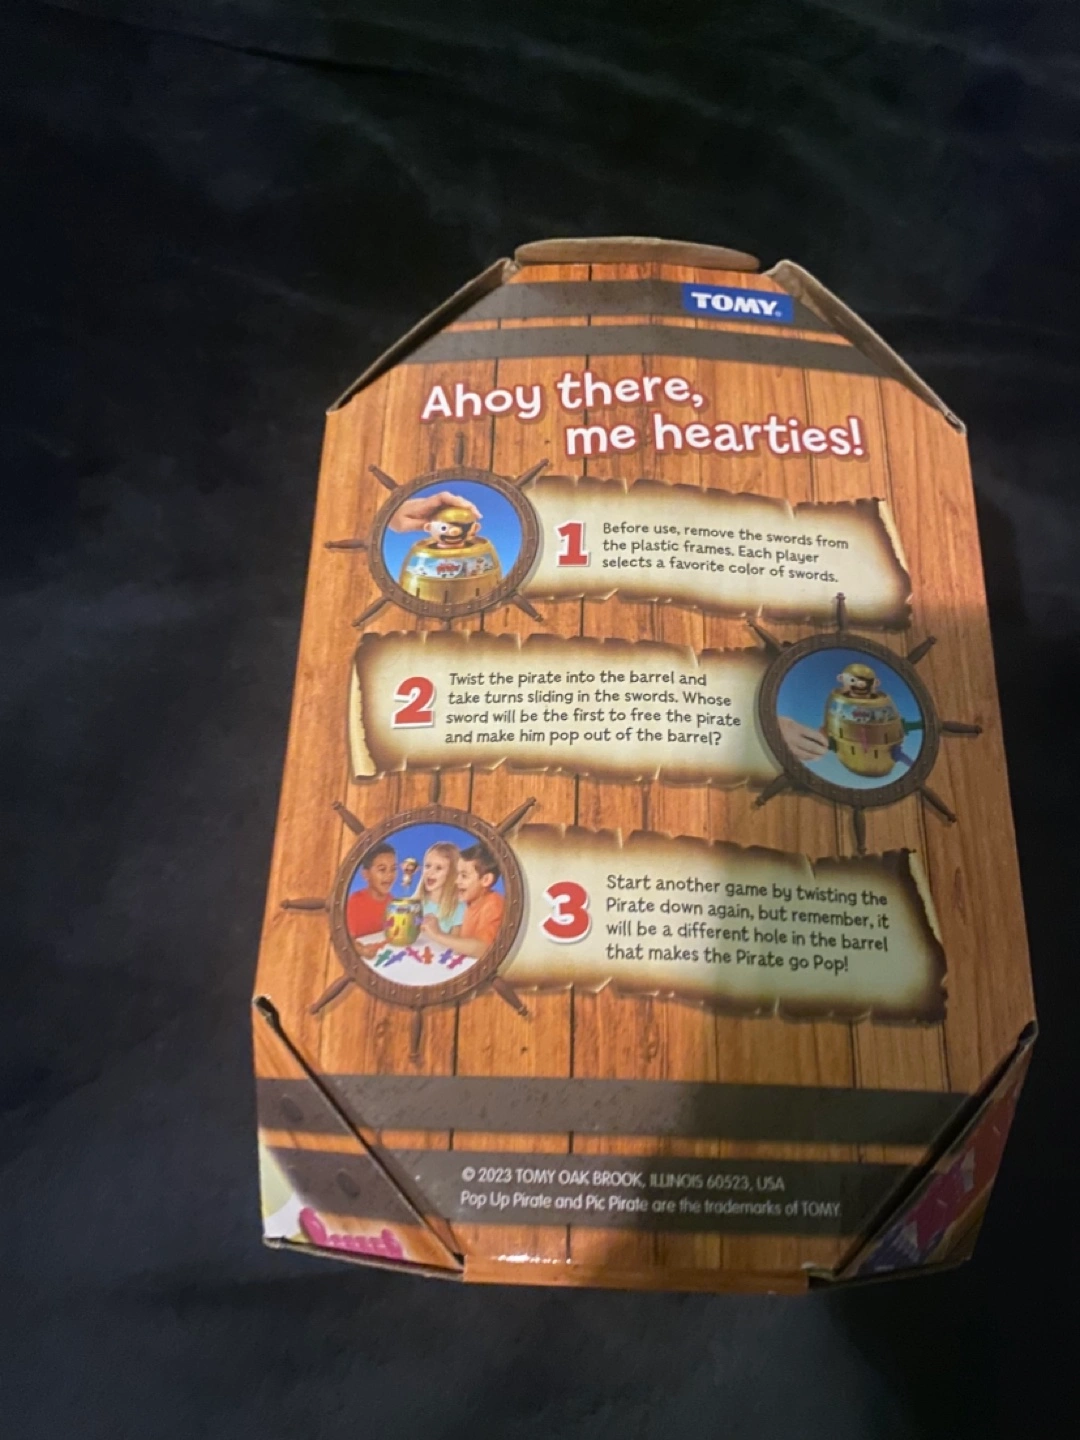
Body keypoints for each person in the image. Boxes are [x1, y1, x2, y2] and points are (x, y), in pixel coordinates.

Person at [421, 843, 503, 958]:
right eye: (457, 874)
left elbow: (484, 949)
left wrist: (438, 934)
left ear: (486, 880)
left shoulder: (493, 904)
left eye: (464, 876)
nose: (456, 881)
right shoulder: (470, 903)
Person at [346, 842, 397, 941]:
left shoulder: (393, 902)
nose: (389, 875)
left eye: (393, 869)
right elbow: (346, 940)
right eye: (382, 870)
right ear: (366, 874)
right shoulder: (355, 902)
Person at [415, 841, 465, 935]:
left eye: (438, 868)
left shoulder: (459, 908)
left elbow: (455, 941)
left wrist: (436, 932)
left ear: (451, 874)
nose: (430, 872)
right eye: (428, 866)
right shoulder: (415, 903)